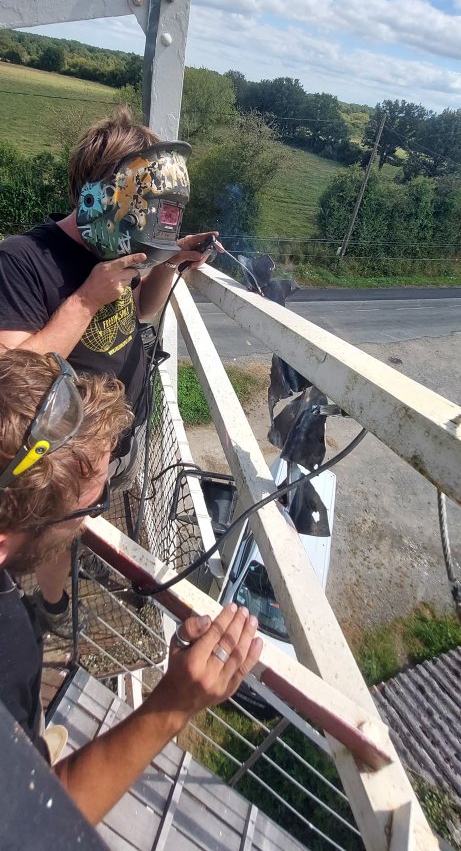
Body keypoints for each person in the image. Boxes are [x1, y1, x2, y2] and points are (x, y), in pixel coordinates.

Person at [0, 347, 262, 826]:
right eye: (87, 509)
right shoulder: (7, 649)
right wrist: (172, 703)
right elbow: (37, 821)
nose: (88, 522)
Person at [0, 106, 219, 636]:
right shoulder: (22, 259)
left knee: (83, 521)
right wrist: (85, 300)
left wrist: (168, 263)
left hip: (115, 435)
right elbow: (10, 374)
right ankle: (52, 606)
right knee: (59, 530)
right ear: (98, 195)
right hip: (57, 457)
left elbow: (140, 312)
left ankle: (75, 555)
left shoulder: (119, 244)